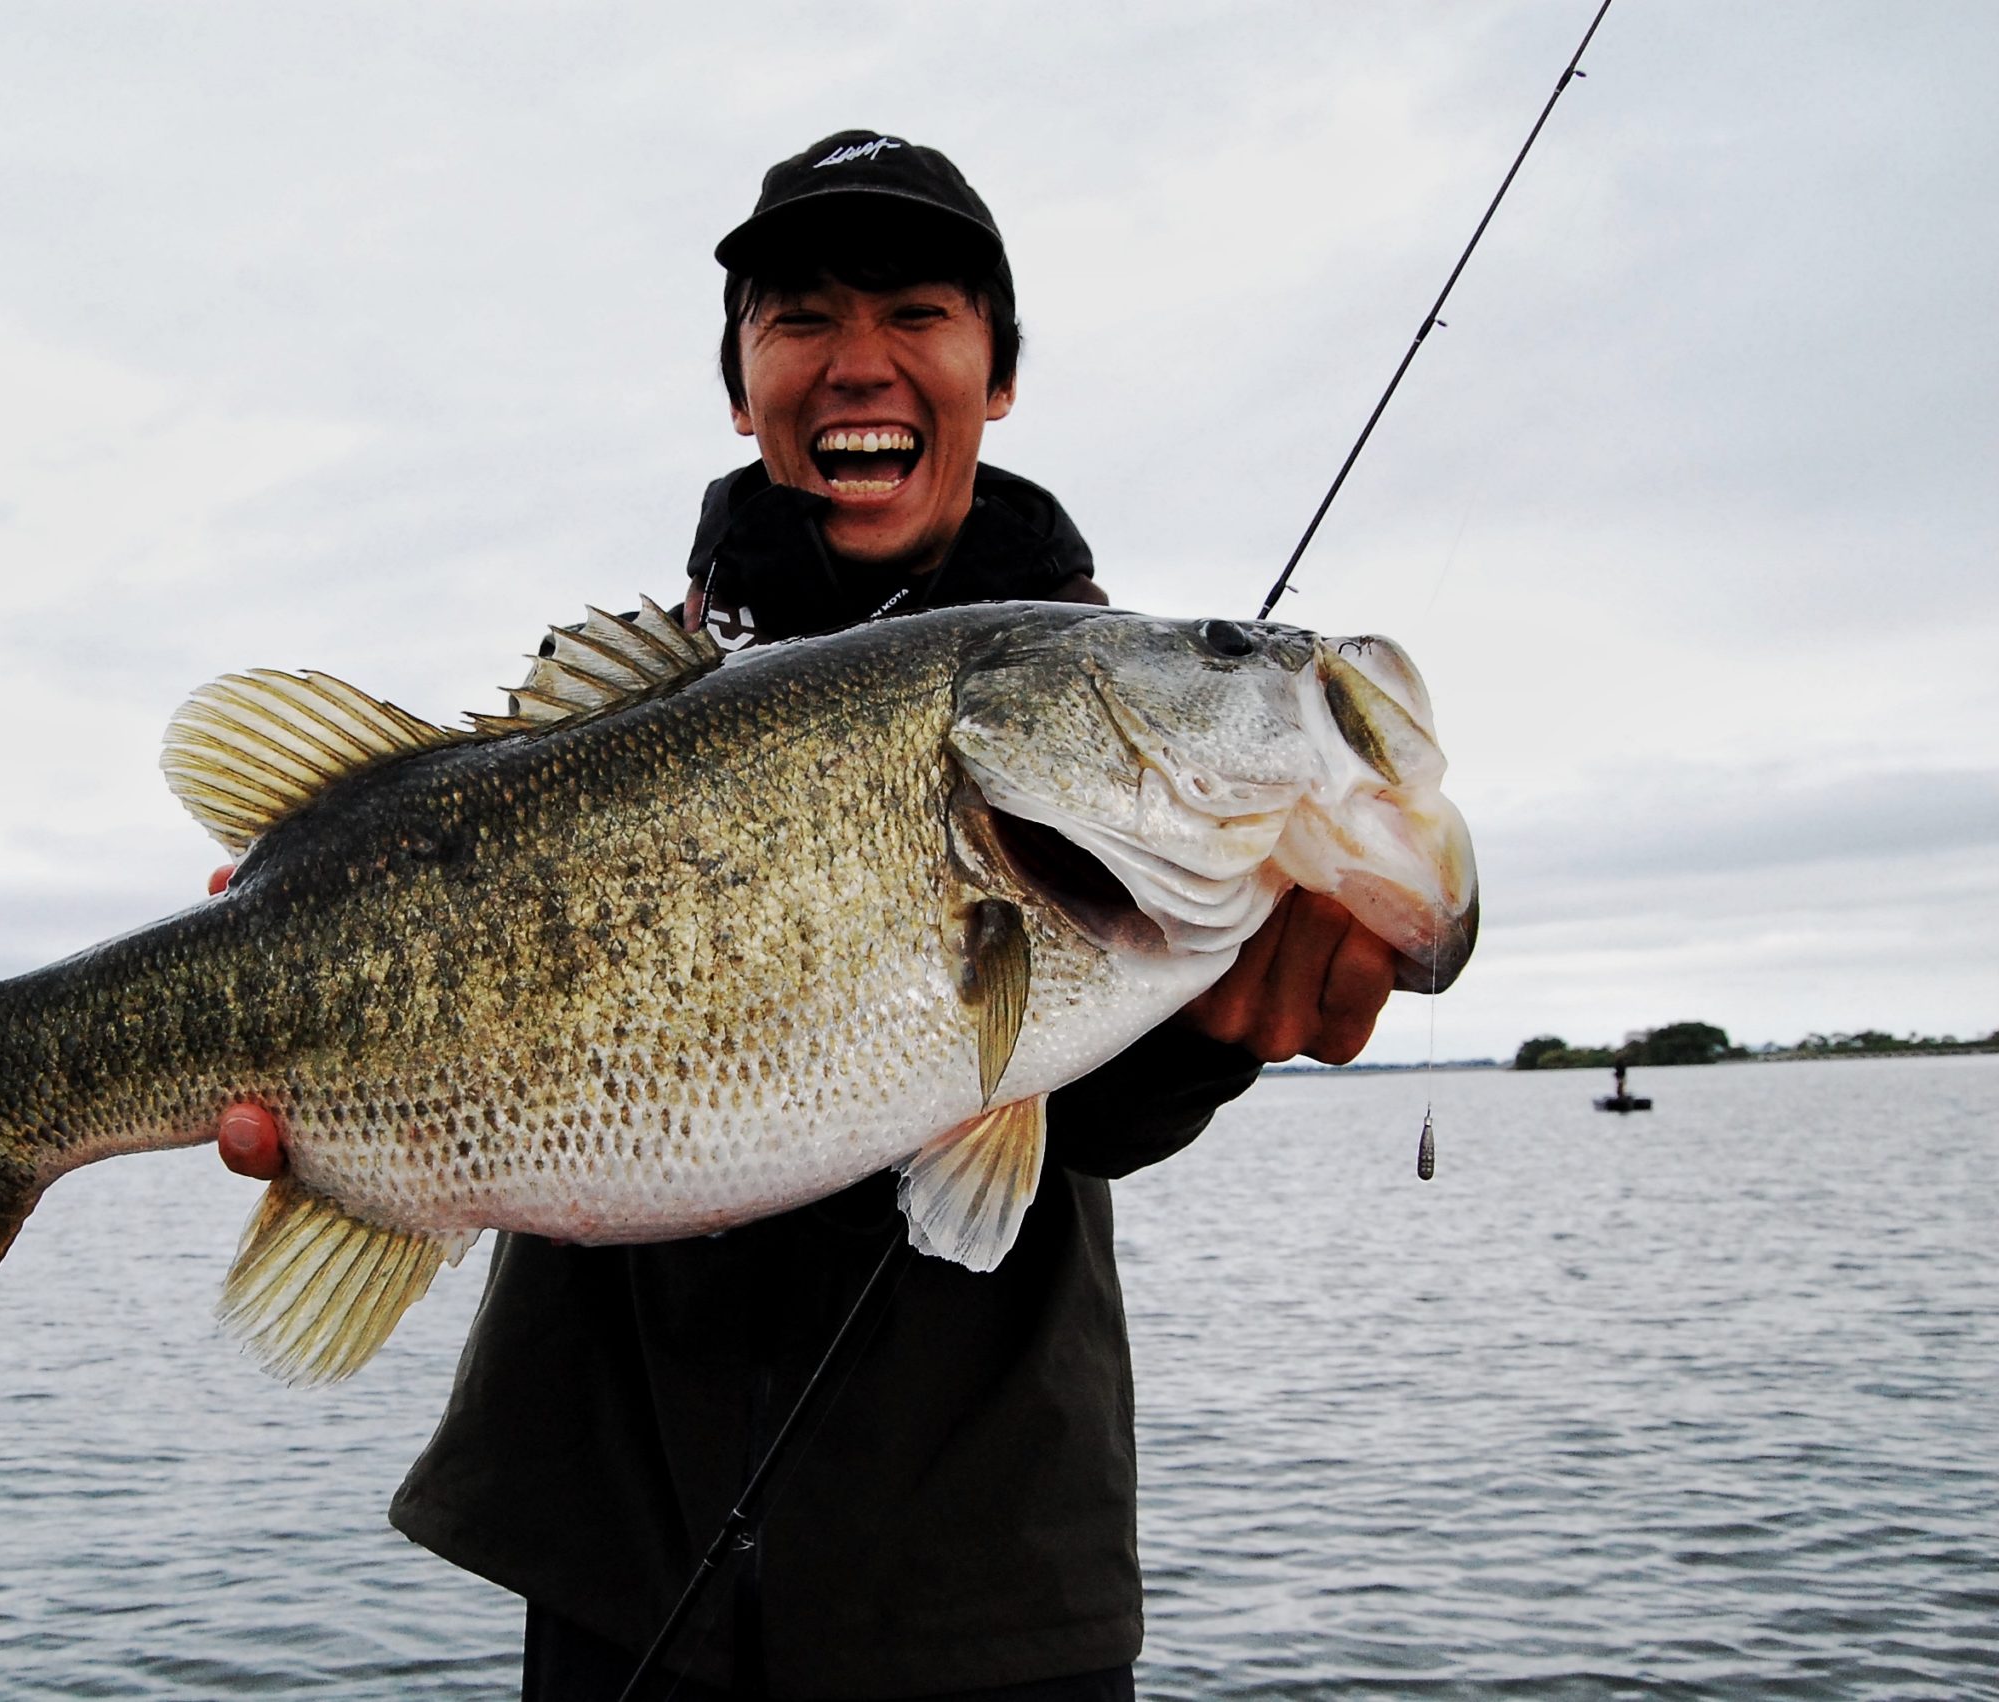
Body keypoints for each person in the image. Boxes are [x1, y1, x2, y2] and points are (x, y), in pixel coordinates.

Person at [211, 131, 1398, 1700]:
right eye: (799, 318)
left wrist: (1216, 1023)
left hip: (982, 1592)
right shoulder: (608, 733)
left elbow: (1083, 1100)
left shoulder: (1094, 728)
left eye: (919, 311)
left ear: (999, 369)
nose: (862, 364)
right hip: (617, 1571)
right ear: (739, 381)